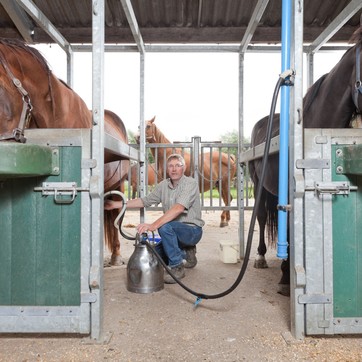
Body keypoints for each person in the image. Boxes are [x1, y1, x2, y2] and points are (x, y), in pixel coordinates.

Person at [104, 153, 205, 284]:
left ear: (183, 168)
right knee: (152, 254)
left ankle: (177, 267)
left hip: (192, 231)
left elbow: (179, 208)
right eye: (170, 166)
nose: (174, 169)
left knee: (165, 227)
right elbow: (145, 201)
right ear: (166, 169)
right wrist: (115, 204)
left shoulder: (190, 183)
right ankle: (186, 252)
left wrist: (153, 225)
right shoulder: (163, 185)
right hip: (173, 233)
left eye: (177, 166)